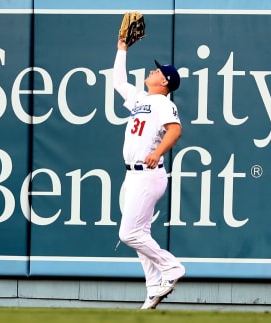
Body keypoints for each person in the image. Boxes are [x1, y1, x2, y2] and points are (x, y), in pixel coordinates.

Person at [113, 39, 186, 310]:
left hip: (148, 173)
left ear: (165, 82)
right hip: (132, 175)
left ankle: (172, 267)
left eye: (158, 71)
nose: (153, 71)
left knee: (128, 234)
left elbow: (175, 130)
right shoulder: (141, 99)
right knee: (140, 233)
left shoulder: (162, 103)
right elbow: (118, 82)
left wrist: (159, 152)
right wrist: (122, 48)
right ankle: (154, 286)